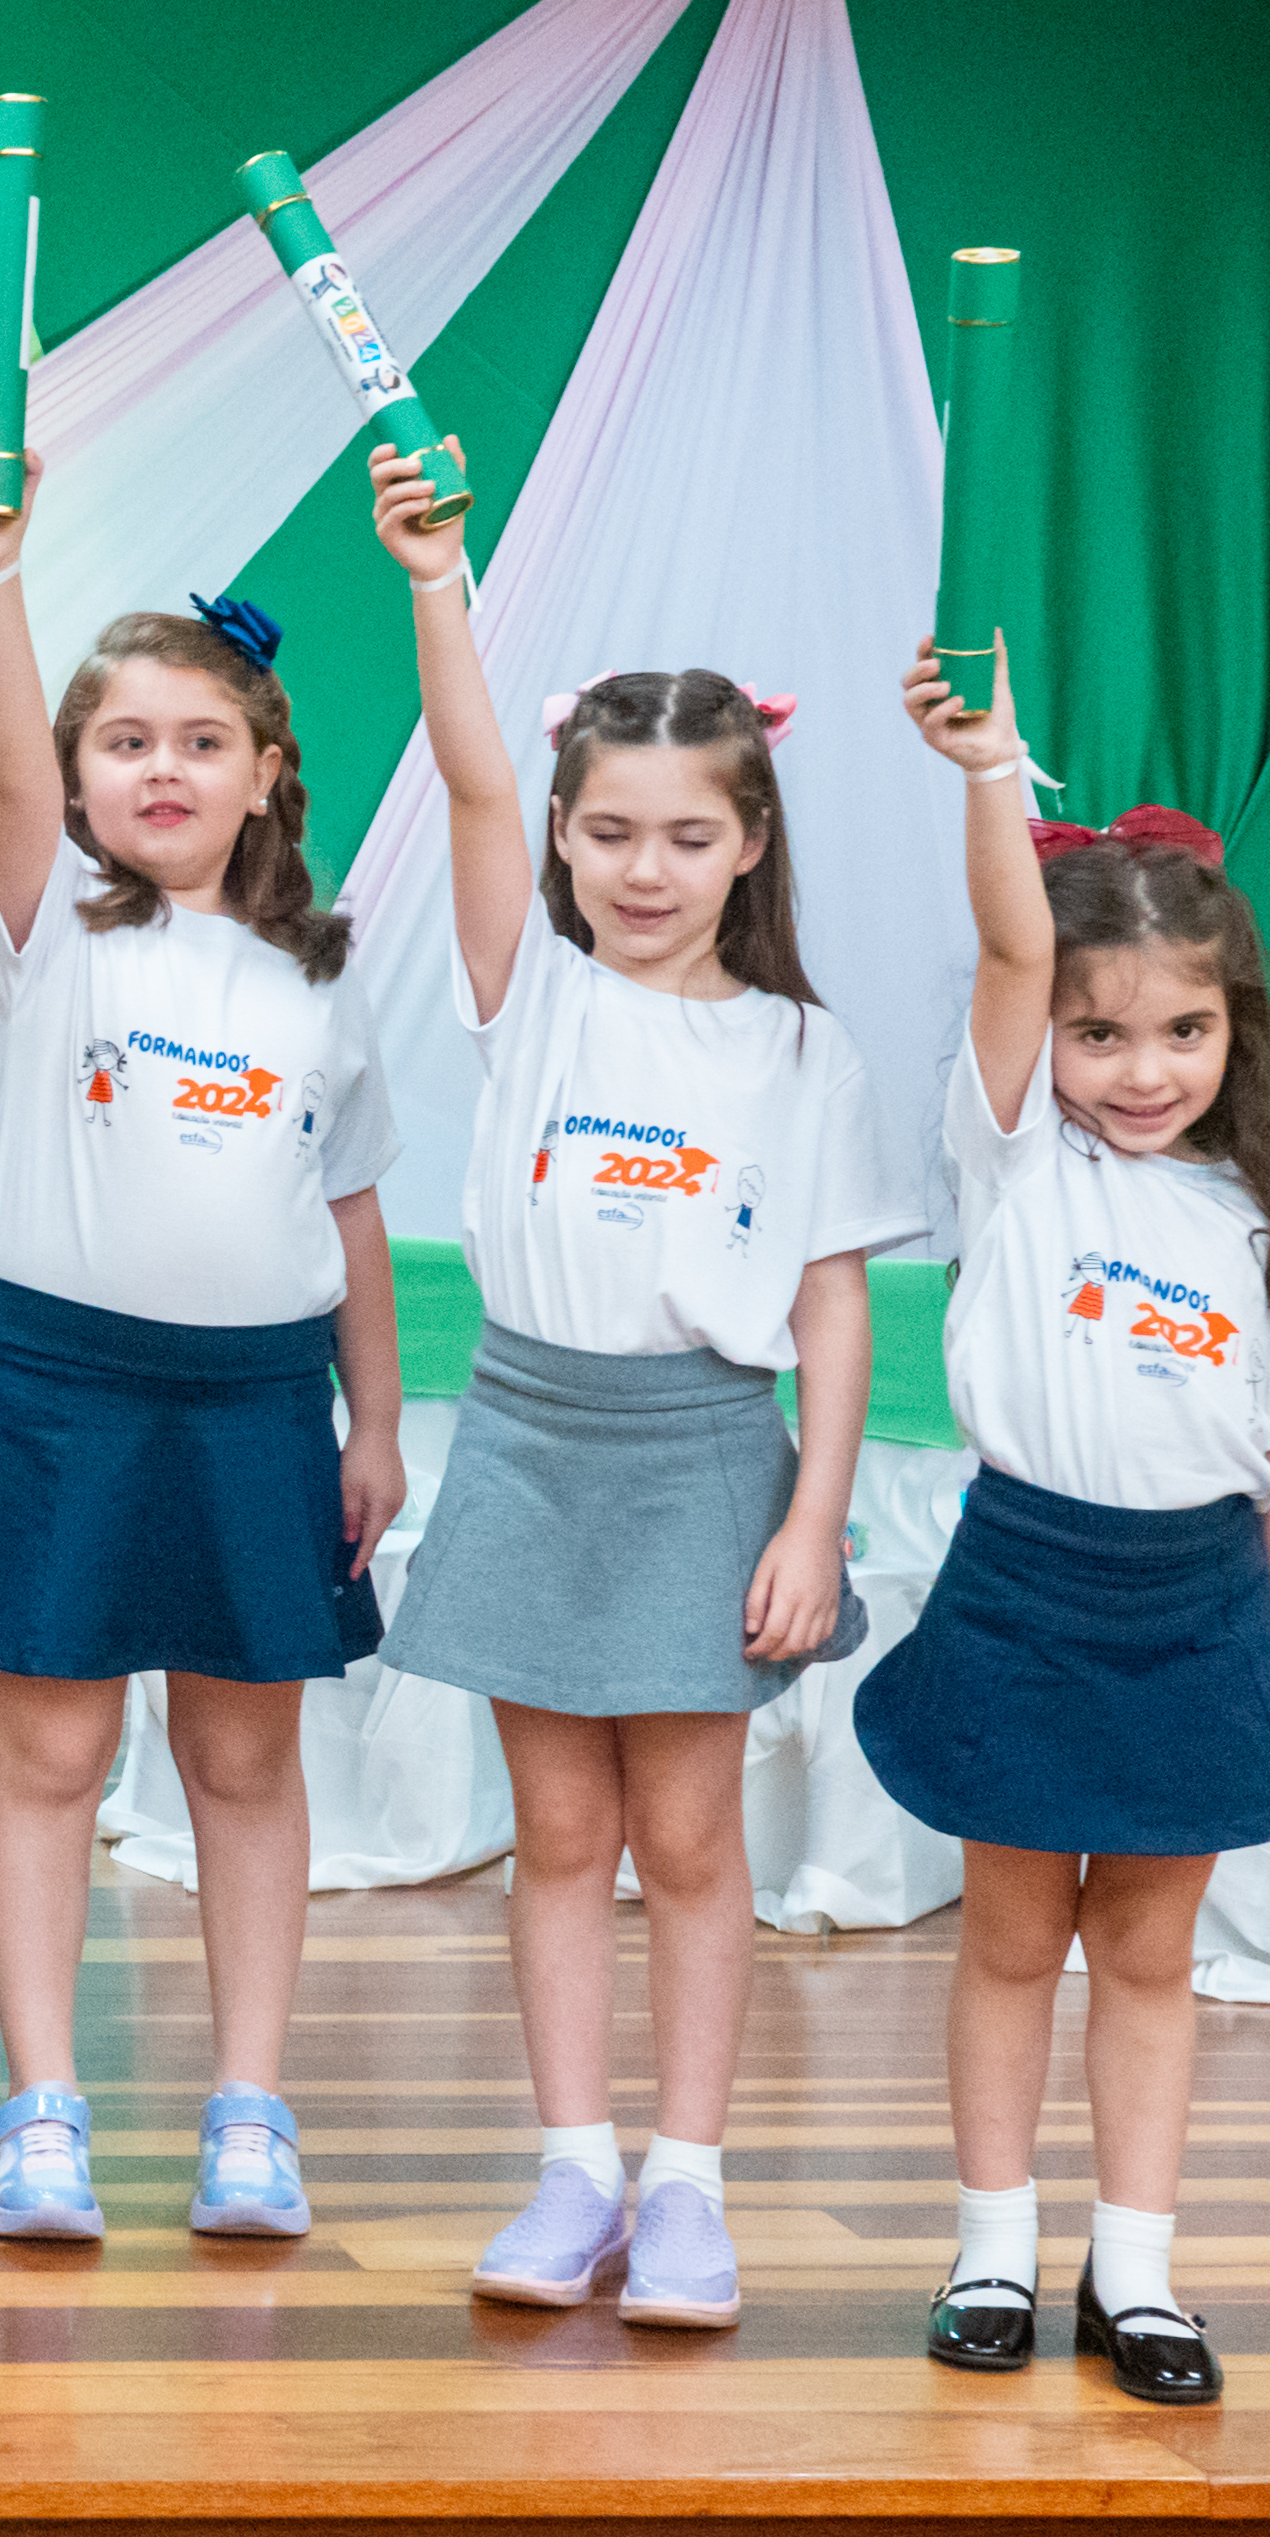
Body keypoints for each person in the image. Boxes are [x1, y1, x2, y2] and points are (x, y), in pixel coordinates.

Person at [365, 443, 911, 2334]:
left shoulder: (799, 1051)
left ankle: (688, 2184)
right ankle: (570, 2163)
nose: (645, 870)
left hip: (701, 1461)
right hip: (527, 1436)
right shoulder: (528, 984)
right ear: (570, 842)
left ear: (748, 842)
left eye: (687, 836)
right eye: (611, 833)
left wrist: (812, 1513)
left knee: (688, 1839)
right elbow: (467, 773)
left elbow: (832, 1303)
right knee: (559, 1835)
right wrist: (436, 576)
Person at [0, 435, 402, 2238]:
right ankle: (41, 2107)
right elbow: (10, 734)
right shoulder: (48, 928)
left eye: (201, 739)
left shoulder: (326, 976)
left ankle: (247, 2108)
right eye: (124, 742)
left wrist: (373, 1421)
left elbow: (348, 1217)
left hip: (258, 1408)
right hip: (60, 1395)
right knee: (42, 1756)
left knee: (244, 1762)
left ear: (266, 773)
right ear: (73, 784)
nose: (160, 768)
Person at [868, 645, 1270, 2405]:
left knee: (1149, 1950)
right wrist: (989, 772)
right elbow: (1013, 941)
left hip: (1198, 1612)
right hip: (1027, 1585)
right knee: (1010, 1935)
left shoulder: (1262, 1221)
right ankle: (988, 2245)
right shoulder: (1015, 1161)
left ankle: (1133, 2272)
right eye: (1098, 1030)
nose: (1140, 1067)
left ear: (1236, 1030)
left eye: (1181, 1029)